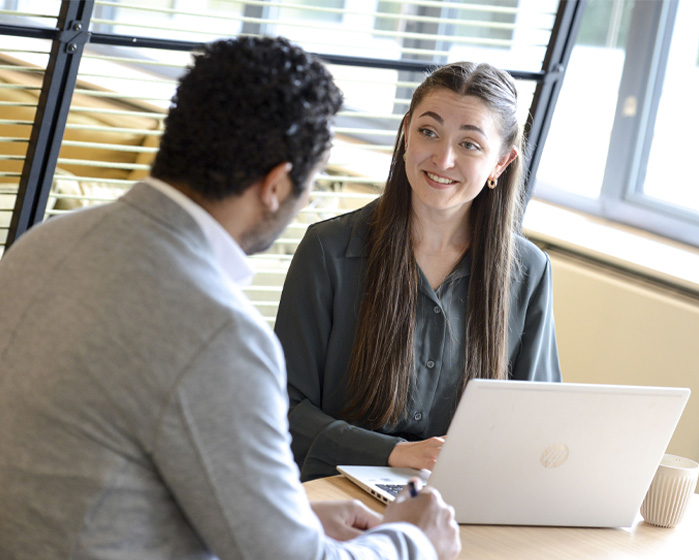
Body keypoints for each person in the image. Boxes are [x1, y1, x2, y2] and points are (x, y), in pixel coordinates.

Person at [0, 37, 460, 560]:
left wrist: (288, 514)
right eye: (309, 184)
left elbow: (96, 469)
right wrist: (411, 539)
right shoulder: (218, 335)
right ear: (276, 185)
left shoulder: (42, 245)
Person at [275, 61, 562, 482]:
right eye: (429, 132)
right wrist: (397, 454)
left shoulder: (529, 272)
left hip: (463, 502)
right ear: (406, 133)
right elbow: (281, 410)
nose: (443, 158)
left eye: (469, 144)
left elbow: (540, 424)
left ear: (501, 163)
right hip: (335, 497)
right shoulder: (328, 251)